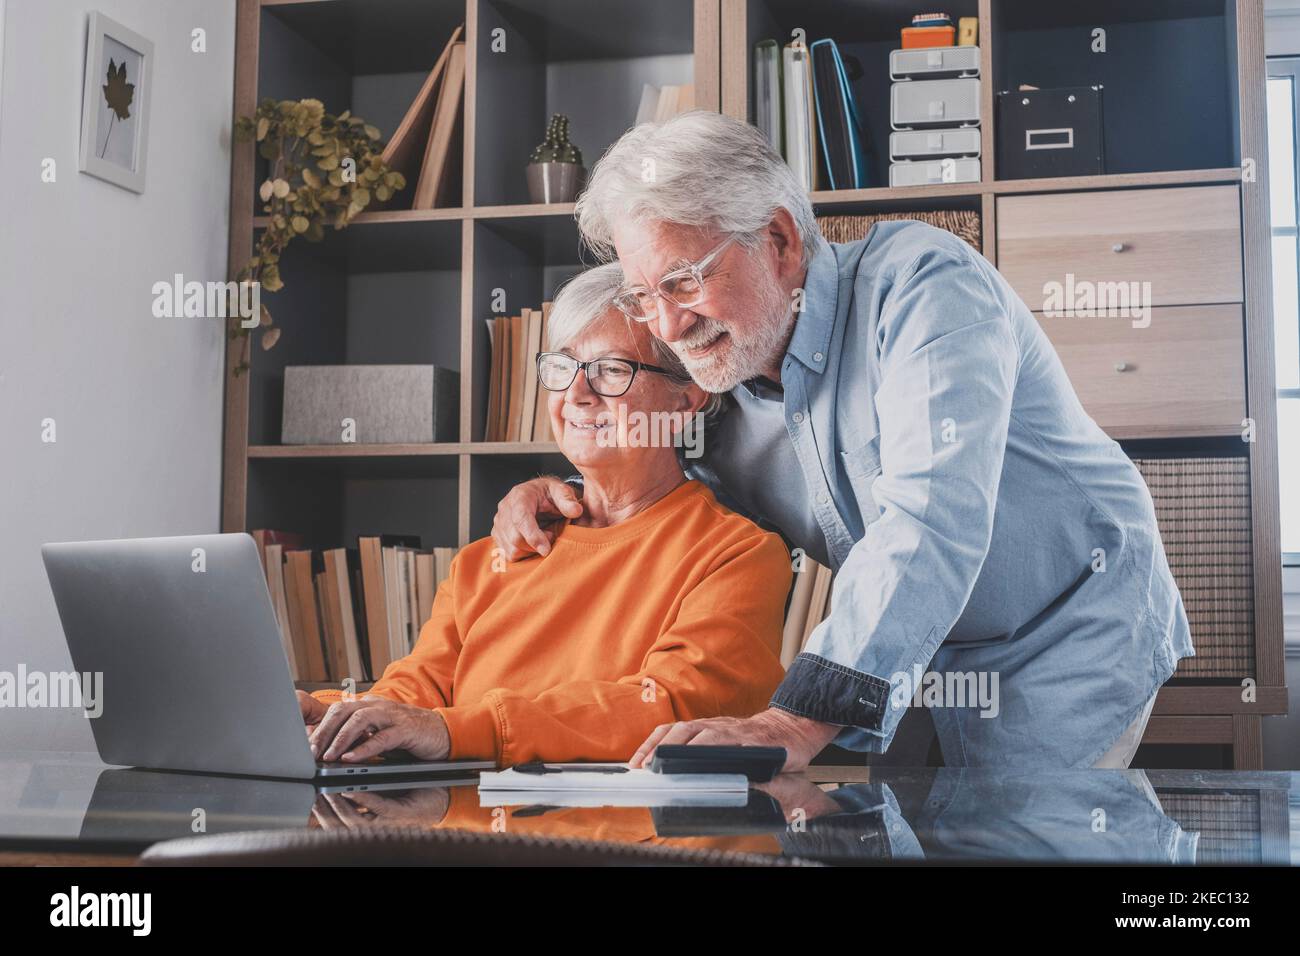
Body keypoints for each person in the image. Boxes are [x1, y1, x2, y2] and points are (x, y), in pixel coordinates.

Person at [491, 110, 1193, 770]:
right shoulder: (720, 374)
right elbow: (676, 504)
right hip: (917, 646)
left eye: (684, 281)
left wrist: (792, 722)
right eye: (646, 296)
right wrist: (571, 495)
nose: (667, 328)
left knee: (1019, 838)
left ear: (780, 240)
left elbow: (932, 515)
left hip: (1067, 626)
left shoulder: (925, 286)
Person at [299, 263, 790, 766]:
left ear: (686, 398)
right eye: (564, 367)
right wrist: (333, 713)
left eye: (612, 370)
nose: (577, 393)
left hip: (621, 838)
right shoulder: (499, 550)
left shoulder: (738, 555)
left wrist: (459, 730)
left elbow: (666, 707)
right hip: (460, 831)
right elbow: (421, 686)